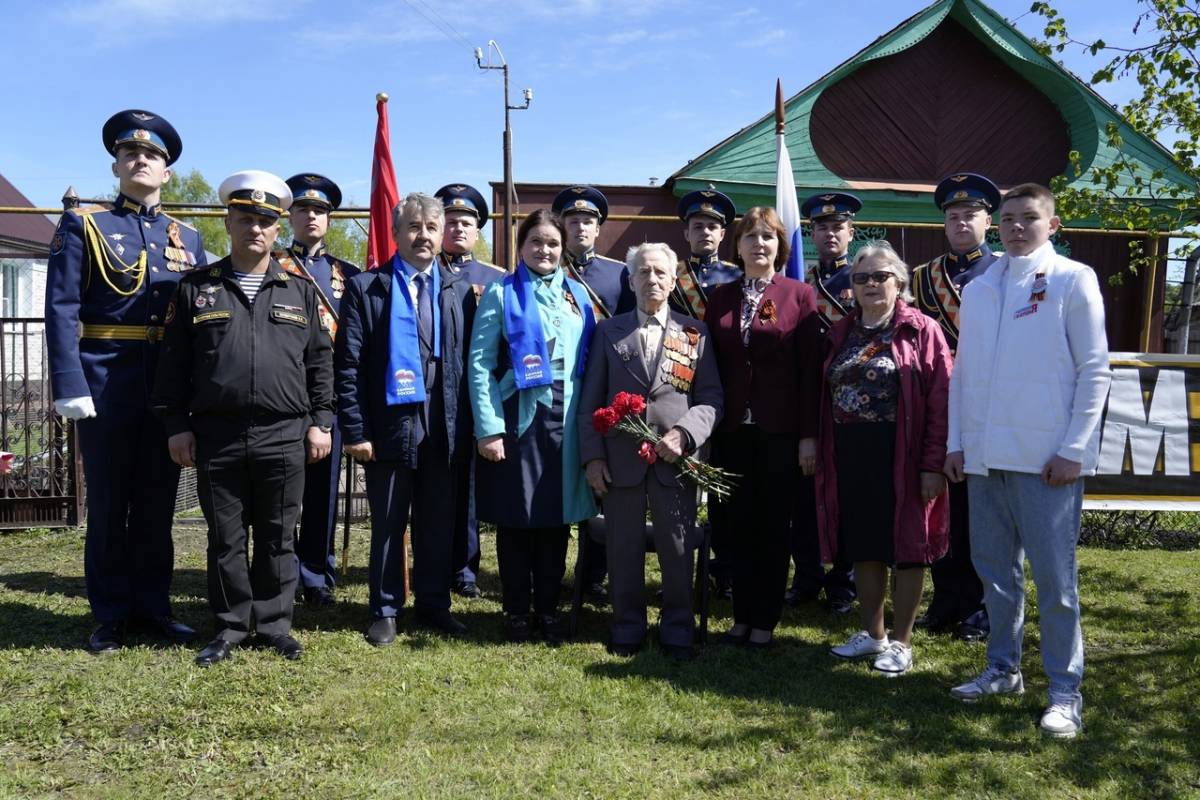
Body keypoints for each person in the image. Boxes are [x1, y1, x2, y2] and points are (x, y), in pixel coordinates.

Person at [945, 183, 1110, 738]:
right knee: (995, 575)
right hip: (986, 458)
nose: (1017, 227)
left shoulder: (1072, 279)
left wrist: (1075, 449)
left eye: (1030, 218)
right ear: (997, 225)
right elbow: (963, 374)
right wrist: (956, 443)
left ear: (1053, 225)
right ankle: (1002, 668)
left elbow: (1095, 371)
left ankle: (1066, 690)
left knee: (1055, 583)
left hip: (1047, 461)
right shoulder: (980, 286)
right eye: (1009, 218)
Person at [152, 170, 333, 666]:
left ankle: (275, 625)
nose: (255, 229)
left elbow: (321, 363)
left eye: (265, 221)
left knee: (278, 536)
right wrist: (176, 425)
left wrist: (322, 421)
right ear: (228, 224)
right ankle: (231, 626)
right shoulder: (195, 289)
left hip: (285, 433)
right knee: (226, 539)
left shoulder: (299, 290)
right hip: (217, 433)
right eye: (245, 219)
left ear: (278, 230)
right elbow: (173, 367)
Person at [44, 109, 206, 653]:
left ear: (166, 172)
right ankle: (111, 614)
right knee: (110, 504)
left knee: (160, 503)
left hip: (165, 388)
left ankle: (154, 609)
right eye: (131, 152)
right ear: (116, 164)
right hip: (105, 381)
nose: (142, 159)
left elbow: (195, 321)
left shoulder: (188, 237)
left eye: (154, 155)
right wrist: (69, 382)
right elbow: (62, 308)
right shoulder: (83, 225)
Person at [336, 193, 476, 646]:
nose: (424, 236)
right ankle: (384, 608)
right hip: (391, 425)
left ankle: (434, 603)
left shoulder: (456, 289)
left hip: (444, 423)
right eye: (414, 227)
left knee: (438, 522)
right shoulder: (367, 288)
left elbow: (465, 362)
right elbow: (350, 365)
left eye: (432, 228)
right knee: (389, 521)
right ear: (396, 234)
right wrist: (355, 430)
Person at [578, 243, 724, 661]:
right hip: (620, 463)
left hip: (675, 462)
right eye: (643, 272)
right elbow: (589, 403)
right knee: (622, 548)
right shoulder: (608, 331)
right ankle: (627, 625)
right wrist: (593, 458)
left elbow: (711, 398)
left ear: (674, 278)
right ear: (630, 279)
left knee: (677, 549)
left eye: (661, 272)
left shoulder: (695, 333)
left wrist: (685, 435)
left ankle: (678, 628)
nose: (652, 280)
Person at [819, 242, 953, 675]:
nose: (871, 284)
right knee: (865, 544)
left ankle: (901, 641)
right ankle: (873, 634)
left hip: (904, 451)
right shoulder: (841, 331)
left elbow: (940, 399)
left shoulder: (922, 329)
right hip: (851, 453)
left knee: (908, 547)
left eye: (880, 276)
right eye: (862, 278)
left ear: (900, 281)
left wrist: (933, 464)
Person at [468, 208, 598, 644]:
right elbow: (480, 363)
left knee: (556, 521)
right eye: (536, 242)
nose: (545, 250)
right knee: (516, 519)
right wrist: (488, 427)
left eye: (553, 244)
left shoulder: (578, 297)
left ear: (564, 250)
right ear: (521, 246)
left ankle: (548, 608)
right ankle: (517, 611)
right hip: (517, 421)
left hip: (567, 422)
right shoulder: (501, 294)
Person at [705, 207, 821, 649]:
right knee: (735, 525)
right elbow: (710, 365)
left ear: (780, 245)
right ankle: (740, 617)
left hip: (780, 433)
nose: (758, 244)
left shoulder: (799, 294)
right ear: (736, 246)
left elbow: (810, 371)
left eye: (767, 237)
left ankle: (764, 621)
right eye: (750, 237)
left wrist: (808, 435)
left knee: (773, 527)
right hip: (732, 432)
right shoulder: (719, 297)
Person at [911, 173, 1002, 642]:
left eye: (970, 214)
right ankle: (946, 598)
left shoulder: (1006, 271)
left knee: (982, 510)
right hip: (940, 405)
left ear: (989, 219)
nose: (961, 221)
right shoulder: (923, 278)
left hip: (990, 406)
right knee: (942, 506)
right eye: (952, 215)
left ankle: (982, 606)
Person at [273, 173, 361, 608]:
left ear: (330, 219)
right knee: (280, 489)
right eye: (304, 209)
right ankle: (279, 569)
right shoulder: (271, 265)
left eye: (320, 210)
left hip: (331, 397)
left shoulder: (349, 274)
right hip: (282, 393)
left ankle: (315, 571)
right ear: (289, 215)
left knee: (323, 490)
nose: (312, 216)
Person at [551, 185, 634, 601]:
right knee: (560, 480)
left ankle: (593, 575)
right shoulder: (545, 267)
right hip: (556, 393)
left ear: (598, 228)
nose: (580, 226)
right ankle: (549, 570)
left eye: (588, 220)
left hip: (602, 392)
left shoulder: (619, 274)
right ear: (561, 225)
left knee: (601, 483)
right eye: (572, 219)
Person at [788, 192, 863, 613]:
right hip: (810, 401)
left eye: (837, 227)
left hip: (851, 404)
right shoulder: (801, 284)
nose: (829, 233)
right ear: (811, 233)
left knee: (847, 495)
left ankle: (843, 585)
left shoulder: (864, 279)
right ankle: (807, 577)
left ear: (850, 233)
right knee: (805, 496)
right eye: (821, 227)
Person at [434, 183, 506, 600]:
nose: (458, 228)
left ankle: (465, 568)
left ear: (479, 231)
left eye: (467, 222)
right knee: (434, 483)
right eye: (451, 221)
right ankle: (433, 559)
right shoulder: (426, 273)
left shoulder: (495, 279)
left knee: (470, 489)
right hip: (429, 395)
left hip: (474, 397)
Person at [668, 189, 741, 599]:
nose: (705, 232)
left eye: (713, 226)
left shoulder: (737, 275)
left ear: (723, 232)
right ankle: (679, 568)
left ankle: (724, 569)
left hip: (726, 392)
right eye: (698, 226)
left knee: (723, 489)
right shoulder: (670, 273)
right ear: (686, 232)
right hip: (678, 390)